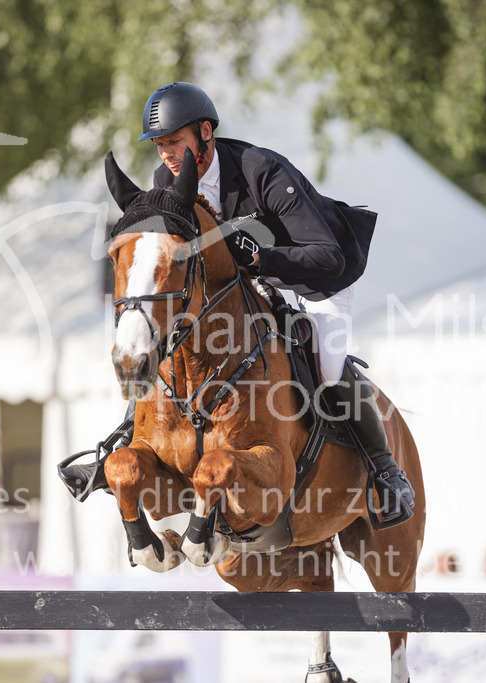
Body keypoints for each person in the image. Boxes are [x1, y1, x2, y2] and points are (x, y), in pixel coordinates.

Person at [140, 82, 414, 525]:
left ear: (205, 132)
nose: (167, 155)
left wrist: (259, 256)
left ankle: (385, 471)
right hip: (247, 285)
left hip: (317, 276)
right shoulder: (167, 183)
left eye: (174, 141)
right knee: (167, 346)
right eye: (160, 146)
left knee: (326, 363)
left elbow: (327, 255)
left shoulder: (261, 170)